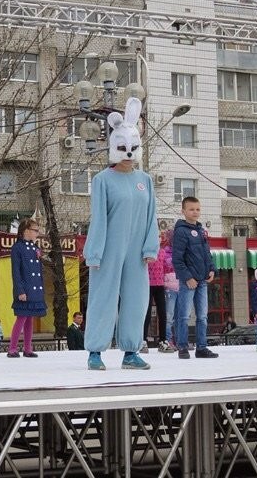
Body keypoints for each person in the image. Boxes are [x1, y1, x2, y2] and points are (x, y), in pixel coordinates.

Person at [83, 97, 158, 371]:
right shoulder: (102, 180)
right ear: (114, 147)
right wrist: (94, 252)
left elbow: (151, 216)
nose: (128, 153)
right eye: (123, 148)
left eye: (133, 148)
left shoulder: (144, 181)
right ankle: (95, 351)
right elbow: (98, 219)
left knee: (137, 300)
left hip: (137, 252)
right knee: (103, 297)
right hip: (108, 250)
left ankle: (130, 352)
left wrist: (150, 248)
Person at [173, 196, 219, 360]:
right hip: (189, 282)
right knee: (184, 316)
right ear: (183, 211)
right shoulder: (180, 231)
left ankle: (201, 347)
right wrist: (187, 277)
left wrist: (212, 269)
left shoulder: (201, 230)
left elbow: (207, 254)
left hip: (202, 281)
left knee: (202, 317)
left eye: (197, 209)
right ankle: (182, 347)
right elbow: (177, 259)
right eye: (191, 209)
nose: (195, 212)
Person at [8, 218, 47, 358]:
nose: (37, 233)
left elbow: (39, 271)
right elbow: (16, 272)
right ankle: (12, 348)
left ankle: (27, 348)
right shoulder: (17, 248)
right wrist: (20, 290)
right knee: (21, 317)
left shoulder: (35, 248)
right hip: (24, 288)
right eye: (35, 230)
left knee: (30, 318)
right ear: (26, 231)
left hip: (34, 289)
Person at [145, 231, 174, 352]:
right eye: (155, 236)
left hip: (160, 285)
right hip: (148, 285)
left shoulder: (162, 252)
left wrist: (172, 264)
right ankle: (143, 340)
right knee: (146, 313)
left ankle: (163, 340)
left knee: (162, 313)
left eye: (159, 237)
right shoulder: (146, 252)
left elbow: (166, 268)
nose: (158, 238)